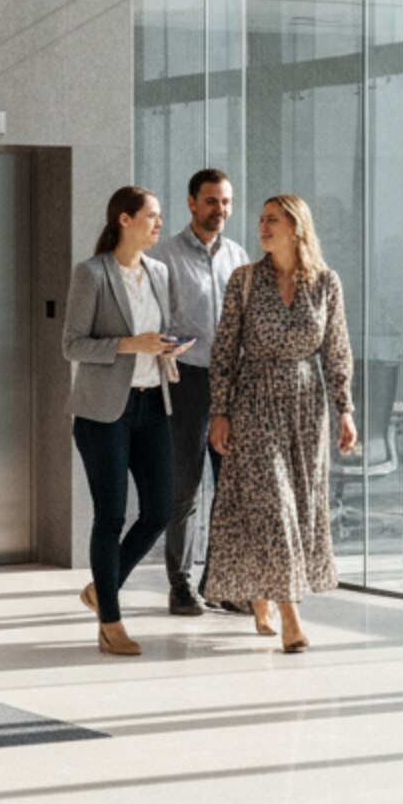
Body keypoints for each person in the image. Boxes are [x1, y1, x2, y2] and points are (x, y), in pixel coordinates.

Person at [202, 194, 356, 654]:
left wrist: (345, 408)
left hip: (308, 407)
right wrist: (220, 411)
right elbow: (225, 350)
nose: (262, 227)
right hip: (255, 402)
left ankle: (262, 591)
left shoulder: (327, 283)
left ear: (296, 227)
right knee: (275, 505)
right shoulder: (244, 281)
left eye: (273, 220)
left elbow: (337, 349)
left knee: (301, 506)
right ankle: (291, 613)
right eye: (262, 220)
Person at [62, 186, 192, 656]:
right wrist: (129, 344)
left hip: (153, 405)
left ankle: (103, 586)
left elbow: (156, 332)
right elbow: (72, 345)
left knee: (160, 509)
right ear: (124, 219)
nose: (159, 224)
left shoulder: (158, 271)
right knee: (111, 514)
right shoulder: (91, 274)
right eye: (152, 216)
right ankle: (111, 620)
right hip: (103, 414)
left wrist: (167, 346)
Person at [156, 169, 249, 616]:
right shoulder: (165, 257)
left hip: (230, 383)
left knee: (229, 488)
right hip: (187, 379)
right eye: (212, 202)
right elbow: (153, 320)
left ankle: (222, 583)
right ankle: (180, 584)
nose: (221, 211)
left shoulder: (238, 256)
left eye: (226, 202)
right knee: (186, 489)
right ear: (191, 203)